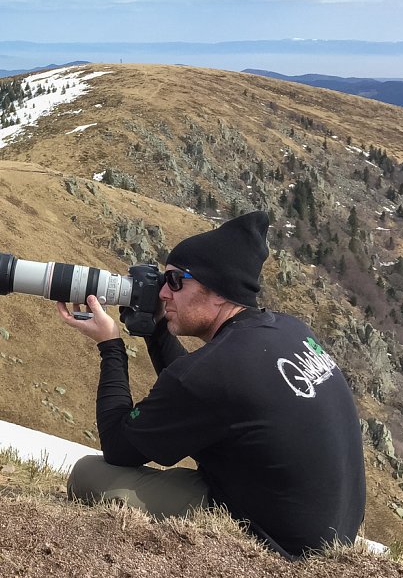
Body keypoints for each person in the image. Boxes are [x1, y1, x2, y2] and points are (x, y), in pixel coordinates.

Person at [58, 211, 365, 559]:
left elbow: (118, 446)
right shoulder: (291, 330)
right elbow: (203, 390)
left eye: (175, 281)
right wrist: (156, 329)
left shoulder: (212, 373)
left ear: (217, 292)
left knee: (88, 473)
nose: (162, 293)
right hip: (333, 531)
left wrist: (110, 345)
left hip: (281, 545)